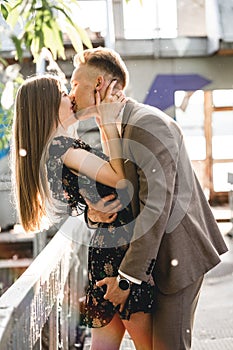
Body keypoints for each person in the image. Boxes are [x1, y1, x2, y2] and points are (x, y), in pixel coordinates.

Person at [69, 47, 228, 350]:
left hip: (176, 259)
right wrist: (94, 212)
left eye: (76, 84)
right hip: (153, 260)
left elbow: (156, 206)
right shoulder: (118, 127)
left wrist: (126, 280)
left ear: (100, 84)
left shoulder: (146, 124)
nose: (71, 92)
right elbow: (127, 194)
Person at [11, 74, 154, 350]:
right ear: (49, 106)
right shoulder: (62, 147)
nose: (70, 97)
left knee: (104, 344)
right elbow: (118, 179)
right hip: (120, 258)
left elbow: (97, 192)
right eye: (64, 93)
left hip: (105, 254)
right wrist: (109, 122)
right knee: (149, 345)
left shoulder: (55, 150)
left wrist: (102, 123)